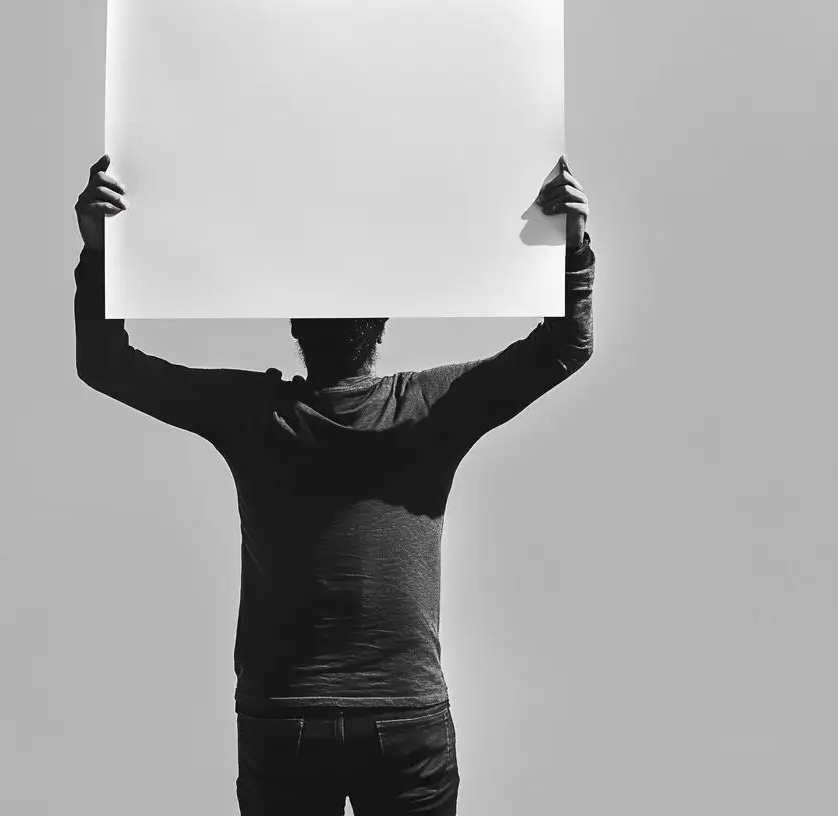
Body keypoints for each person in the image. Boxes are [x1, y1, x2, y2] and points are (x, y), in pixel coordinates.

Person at [74, 151, 593, 814]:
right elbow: (565, 346)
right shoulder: (430, 408)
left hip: (282, 714)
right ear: (382, 327)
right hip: (404, 713)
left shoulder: (252, 415)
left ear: (295, 328)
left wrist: (101, 251)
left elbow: (106, 364)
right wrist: (571, 247)